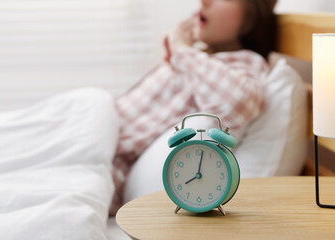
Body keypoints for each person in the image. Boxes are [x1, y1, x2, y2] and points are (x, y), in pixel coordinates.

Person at [110, 0, 277, 215]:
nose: (204, 1)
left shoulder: (243, 63)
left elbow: (238, 103)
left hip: (109, 161)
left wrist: (180, 49)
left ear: (254, 15)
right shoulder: (198, 58)